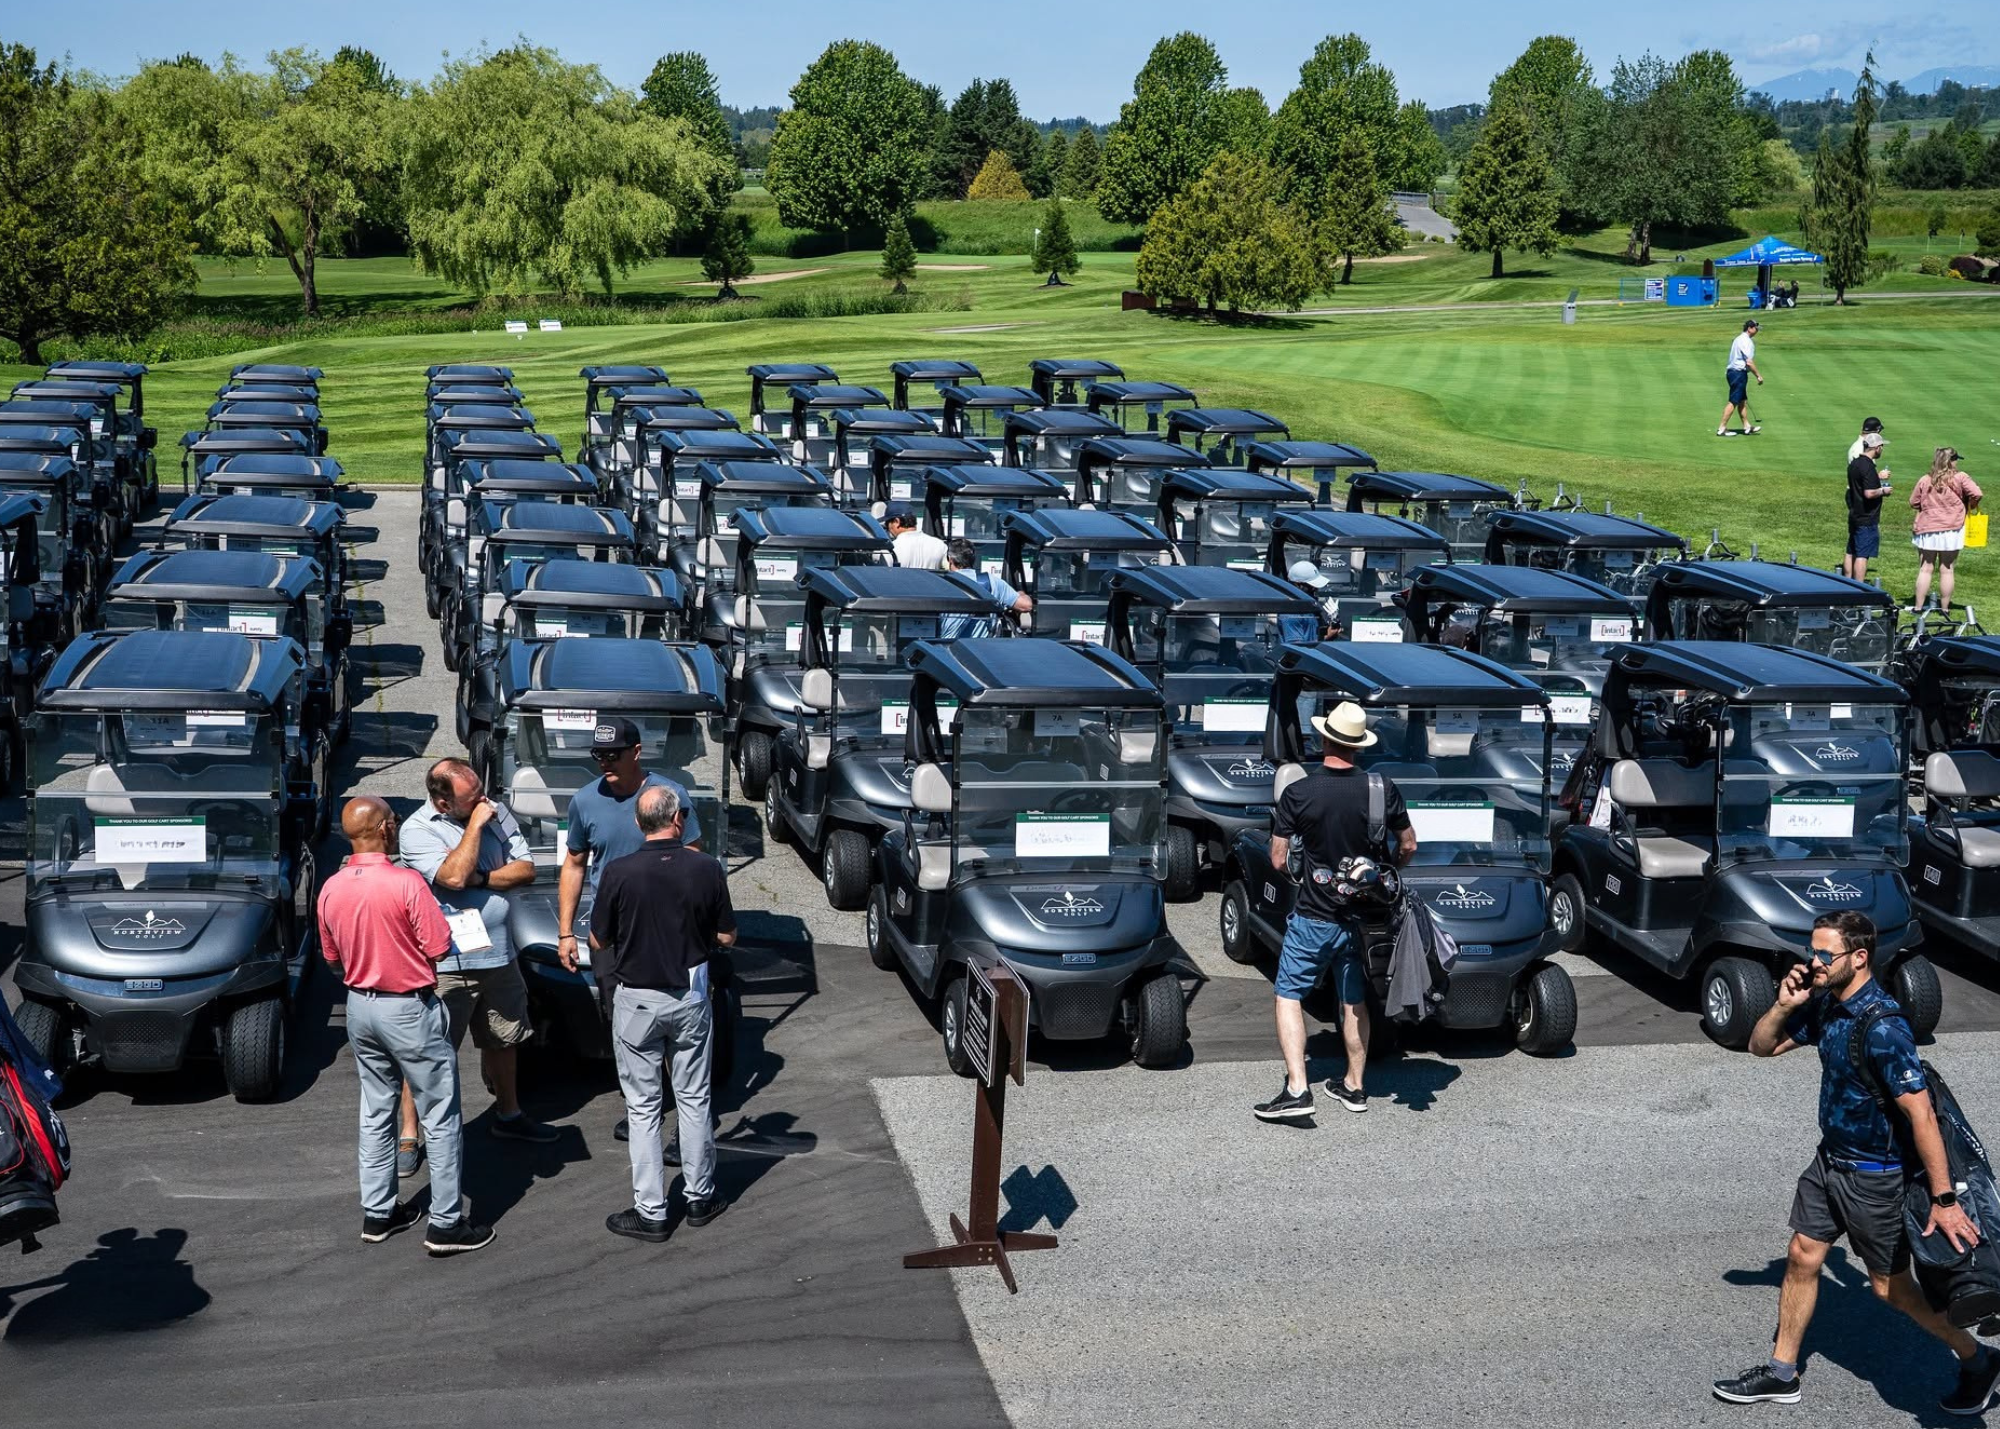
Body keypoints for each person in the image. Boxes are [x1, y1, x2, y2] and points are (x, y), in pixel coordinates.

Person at [1713, 912, 2000, 1414]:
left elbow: (1923, 1117)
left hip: (1875, 1180)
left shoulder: (1884, 1027)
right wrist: (1783, 1006)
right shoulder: (1826, 1007)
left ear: (1860, 957)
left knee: (1891, 1291)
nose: (1814, 962)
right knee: (1803, 1254)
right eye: (1812, 951)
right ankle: (1782, 1373)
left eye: (1825, 954)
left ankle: (1978, 1358)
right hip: (1830, 1164)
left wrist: (1945, 1200)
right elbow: (1760, 1046)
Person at [318, 796, 495, 1256]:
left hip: (360, 1005)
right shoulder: (406, 883)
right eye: (392, 821)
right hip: (408, 1007)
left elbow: (332, 957)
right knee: (440, 1113)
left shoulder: (331, 888)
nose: (395, 826)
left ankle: (379, 1213)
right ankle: (446, 1222)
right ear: (382, 829)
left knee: (376, 1111)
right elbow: (437, 945)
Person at [585, 785, 737, 1242]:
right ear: (678, 820)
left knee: (643, 1107)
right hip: (689, 995)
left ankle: (650, 1210)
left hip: (636, 1000)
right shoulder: (707, 869)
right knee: (693, 1100)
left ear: (638, 823)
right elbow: (727, 937)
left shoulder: (619, 872)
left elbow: (598, 940)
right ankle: (699, 1196)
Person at [393, 757, 556, 1177]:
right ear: (443, 803)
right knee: (428, 1050)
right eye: (472, 799)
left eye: (482, 790)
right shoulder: (418, 829)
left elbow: (524, 869)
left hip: (500, 955)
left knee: (503, 1039)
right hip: (447, 962)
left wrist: (481, 878)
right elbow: (450, 877)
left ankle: (509, 1114)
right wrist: (476, 830)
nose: (485, 801)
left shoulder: (494, 810)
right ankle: (411, 1133)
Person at [1254, 702, 1417, 1123]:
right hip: (1365, 922)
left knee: (1289, 995)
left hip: (1314, 916)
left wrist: (1304, 870)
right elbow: (1409, 845)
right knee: (1354, 1001)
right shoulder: (1382, 789)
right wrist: (1384, 875)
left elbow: (1277, 859)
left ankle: (1297, 1089)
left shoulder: (1299, 792)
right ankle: (1355, 1087)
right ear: (1359, 746)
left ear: (1323, 738)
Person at [1911, 447, 1983, 613]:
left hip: (1928, 526)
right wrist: (1969, 504)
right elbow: (1977, 493)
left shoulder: (1926, 479)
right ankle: (1945, 608)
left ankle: (1918, 606)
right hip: (1952, 527)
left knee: (1925, 568)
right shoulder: (1960, 477)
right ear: (1952, 461)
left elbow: (1914, 501)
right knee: (1947, 569)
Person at [938, 537, 1032, 638]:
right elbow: (1026, 605)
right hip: (982, 649)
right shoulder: (990, 581)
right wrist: (1021, 593)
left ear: (950, 559)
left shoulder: (941, 583)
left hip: (946, 648)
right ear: (973, 558)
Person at [1845, 432, 1892, 583]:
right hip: (1867, 516)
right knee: (1862, 555)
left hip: (1855, 513)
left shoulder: (1854, 464)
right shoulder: (1868, 466)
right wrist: (1883, 491)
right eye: (1882, 447)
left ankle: (1848, 582)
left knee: (1851, 550)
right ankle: (1860, 587)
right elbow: (1869, 493)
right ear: (1877, 448)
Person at [1718, 319, 1762, 437]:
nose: (1757, 331)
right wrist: (1758, 375)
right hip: (1738, 373)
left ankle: (1746, 426)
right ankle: (1722, 428)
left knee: (1742, 401)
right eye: (1756, 329)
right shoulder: (1746, 341)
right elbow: (1749, 362)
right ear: (1750, 328)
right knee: (1733, 401)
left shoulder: (1738, 338)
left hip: (1733, 372)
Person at [1281, 559, 1338, 644]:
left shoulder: (1310, 606)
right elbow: (1297, 648)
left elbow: (1316, 633)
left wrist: (1334, 622)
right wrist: (1327, 638)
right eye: (1311, 586)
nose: (1315, 589)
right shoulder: (1290, 615)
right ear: (1298, 585)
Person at [884, 501, 948, 571]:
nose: (888, 529)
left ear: (897, 522)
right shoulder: (939, 545)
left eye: (887, 524)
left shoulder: (891, 549)